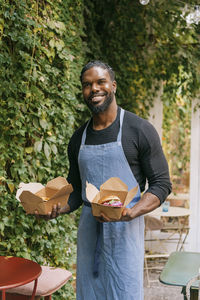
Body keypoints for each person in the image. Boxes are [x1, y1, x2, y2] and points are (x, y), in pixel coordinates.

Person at [40, 60, 172, 300]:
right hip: (90, 232)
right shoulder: (78, 138)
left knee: (124, 292)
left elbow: (162, 184)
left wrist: (132, 212)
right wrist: (56, 208)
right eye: (87, 85)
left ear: (113, 85)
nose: (94, 89)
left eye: (100, 82)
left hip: (126, 230)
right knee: (90, 293)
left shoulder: (139, 130)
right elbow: (77, 188)